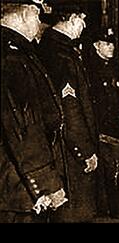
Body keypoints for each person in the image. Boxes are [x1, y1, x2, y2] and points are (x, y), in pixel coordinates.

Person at [1, 0, 67, 223]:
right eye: (38, 17)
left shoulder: (17, 51)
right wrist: (45, 185)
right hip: (16, 188)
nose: (39, 25)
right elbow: (23, 126)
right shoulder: (12, 57)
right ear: (26, 13)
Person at [38, 0, 100, 222]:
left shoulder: (47, 48)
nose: (83, 26)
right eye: (83, 20)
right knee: (76, 212)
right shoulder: (61, 54)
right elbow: (69, 107)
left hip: (58, 147)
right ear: (74, 19)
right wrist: (84, 150)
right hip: (67, 152)